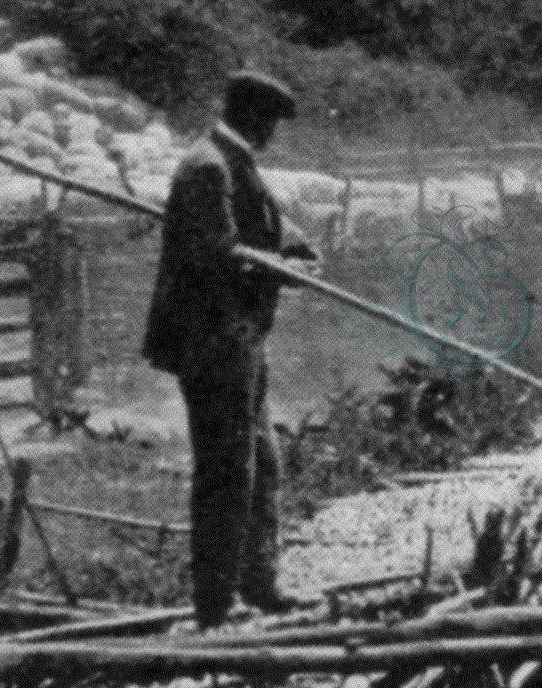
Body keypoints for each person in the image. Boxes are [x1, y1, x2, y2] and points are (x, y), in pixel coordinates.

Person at [141, 71, 317, 628]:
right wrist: (280, 269)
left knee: (262, 462)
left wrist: (299, 250)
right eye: (270, 124)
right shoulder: (207, 167)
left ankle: (259, 584)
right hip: (211, 342)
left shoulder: (234, 165)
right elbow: (214, 253)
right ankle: (216, 602)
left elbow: (267, 223)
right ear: (253, 118)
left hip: (242, 340)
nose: (272, 135)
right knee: (225, 469)